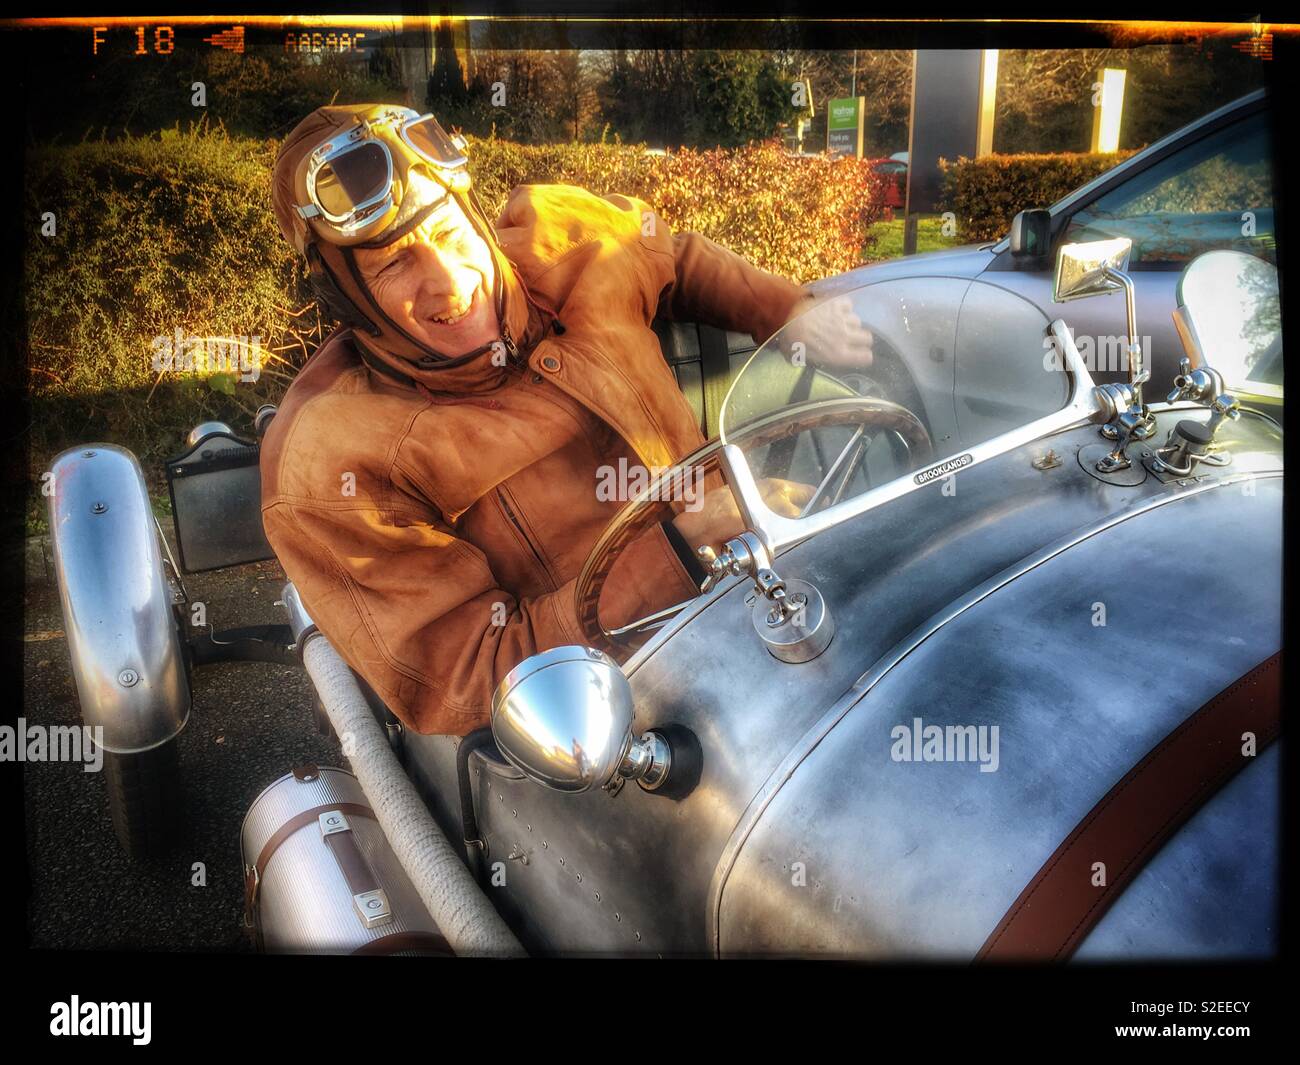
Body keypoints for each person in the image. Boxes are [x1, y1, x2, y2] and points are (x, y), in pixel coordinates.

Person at [262, 103, 864, 735]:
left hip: (774, 597)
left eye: (448, 234)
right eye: (394, 264)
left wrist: (787, 308)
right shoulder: (330, 461)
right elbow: (468, 679)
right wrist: (679, 553)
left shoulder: (567, 245)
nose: (448, 284)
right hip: (621, 727)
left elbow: (673, 255)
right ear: (342, 295)